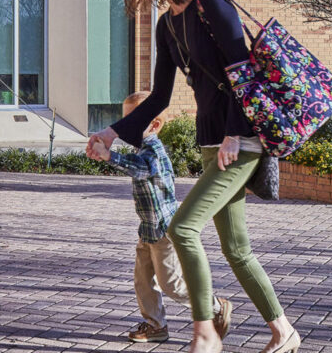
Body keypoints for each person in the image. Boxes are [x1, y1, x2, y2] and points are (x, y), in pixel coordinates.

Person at [88, 0, 299, 353]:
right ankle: (284, 331)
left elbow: (243, 72)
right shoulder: (167, 24)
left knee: (182, 227)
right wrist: (112, 133)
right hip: (212, 142)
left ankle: (205, 333)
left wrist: (234, 133)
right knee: (236, 249)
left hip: (241, 138)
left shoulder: (210, 1)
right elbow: (159, 97)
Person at [88, 90, 232, 344]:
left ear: (154, 125)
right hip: (148, 228)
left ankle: (214, 307)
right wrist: (105, 152)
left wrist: (109, 156)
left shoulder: (153, 150)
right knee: (143, 280)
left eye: (132, 120)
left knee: (171, 284)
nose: (125, 127)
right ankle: (156, 326)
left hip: (164, 228)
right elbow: (134, 163)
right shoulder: (141, 147)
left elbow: (141, 168)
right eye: (124, 120)